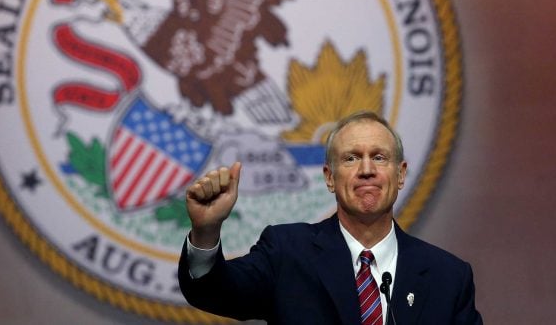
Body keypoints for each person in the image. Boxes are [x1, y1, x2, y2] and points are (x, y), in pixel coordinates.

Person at [178, 111, 483, 324]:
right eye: (351, 158)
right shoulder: (287, 253)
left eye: (379, 157)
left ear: (400, 174)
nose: (366, 169)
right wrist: (206, 231)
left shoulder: (448, 277)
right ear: (329, 178)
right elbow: (214, 291)